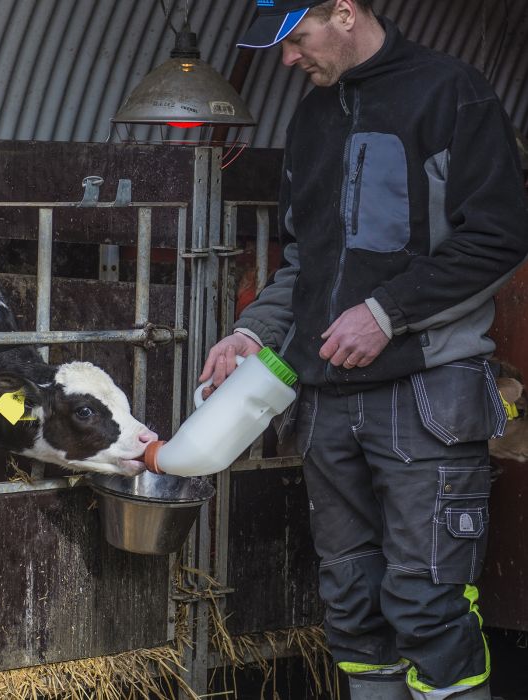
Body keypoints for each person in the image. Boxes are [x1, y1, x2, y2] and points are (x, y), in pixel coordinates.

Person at [200, 1, 528, 699]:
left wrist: (388, 313)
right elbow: (305, 263)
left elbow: (498, 236)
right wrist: (253, 331)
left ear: (344, 12)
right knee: (350, 603)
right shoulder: (314, 116)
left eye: (297, 38)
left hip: (426, 389)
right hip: (325, 400)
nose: (287, 59)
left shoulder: (451, 94)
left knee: (428, 601)